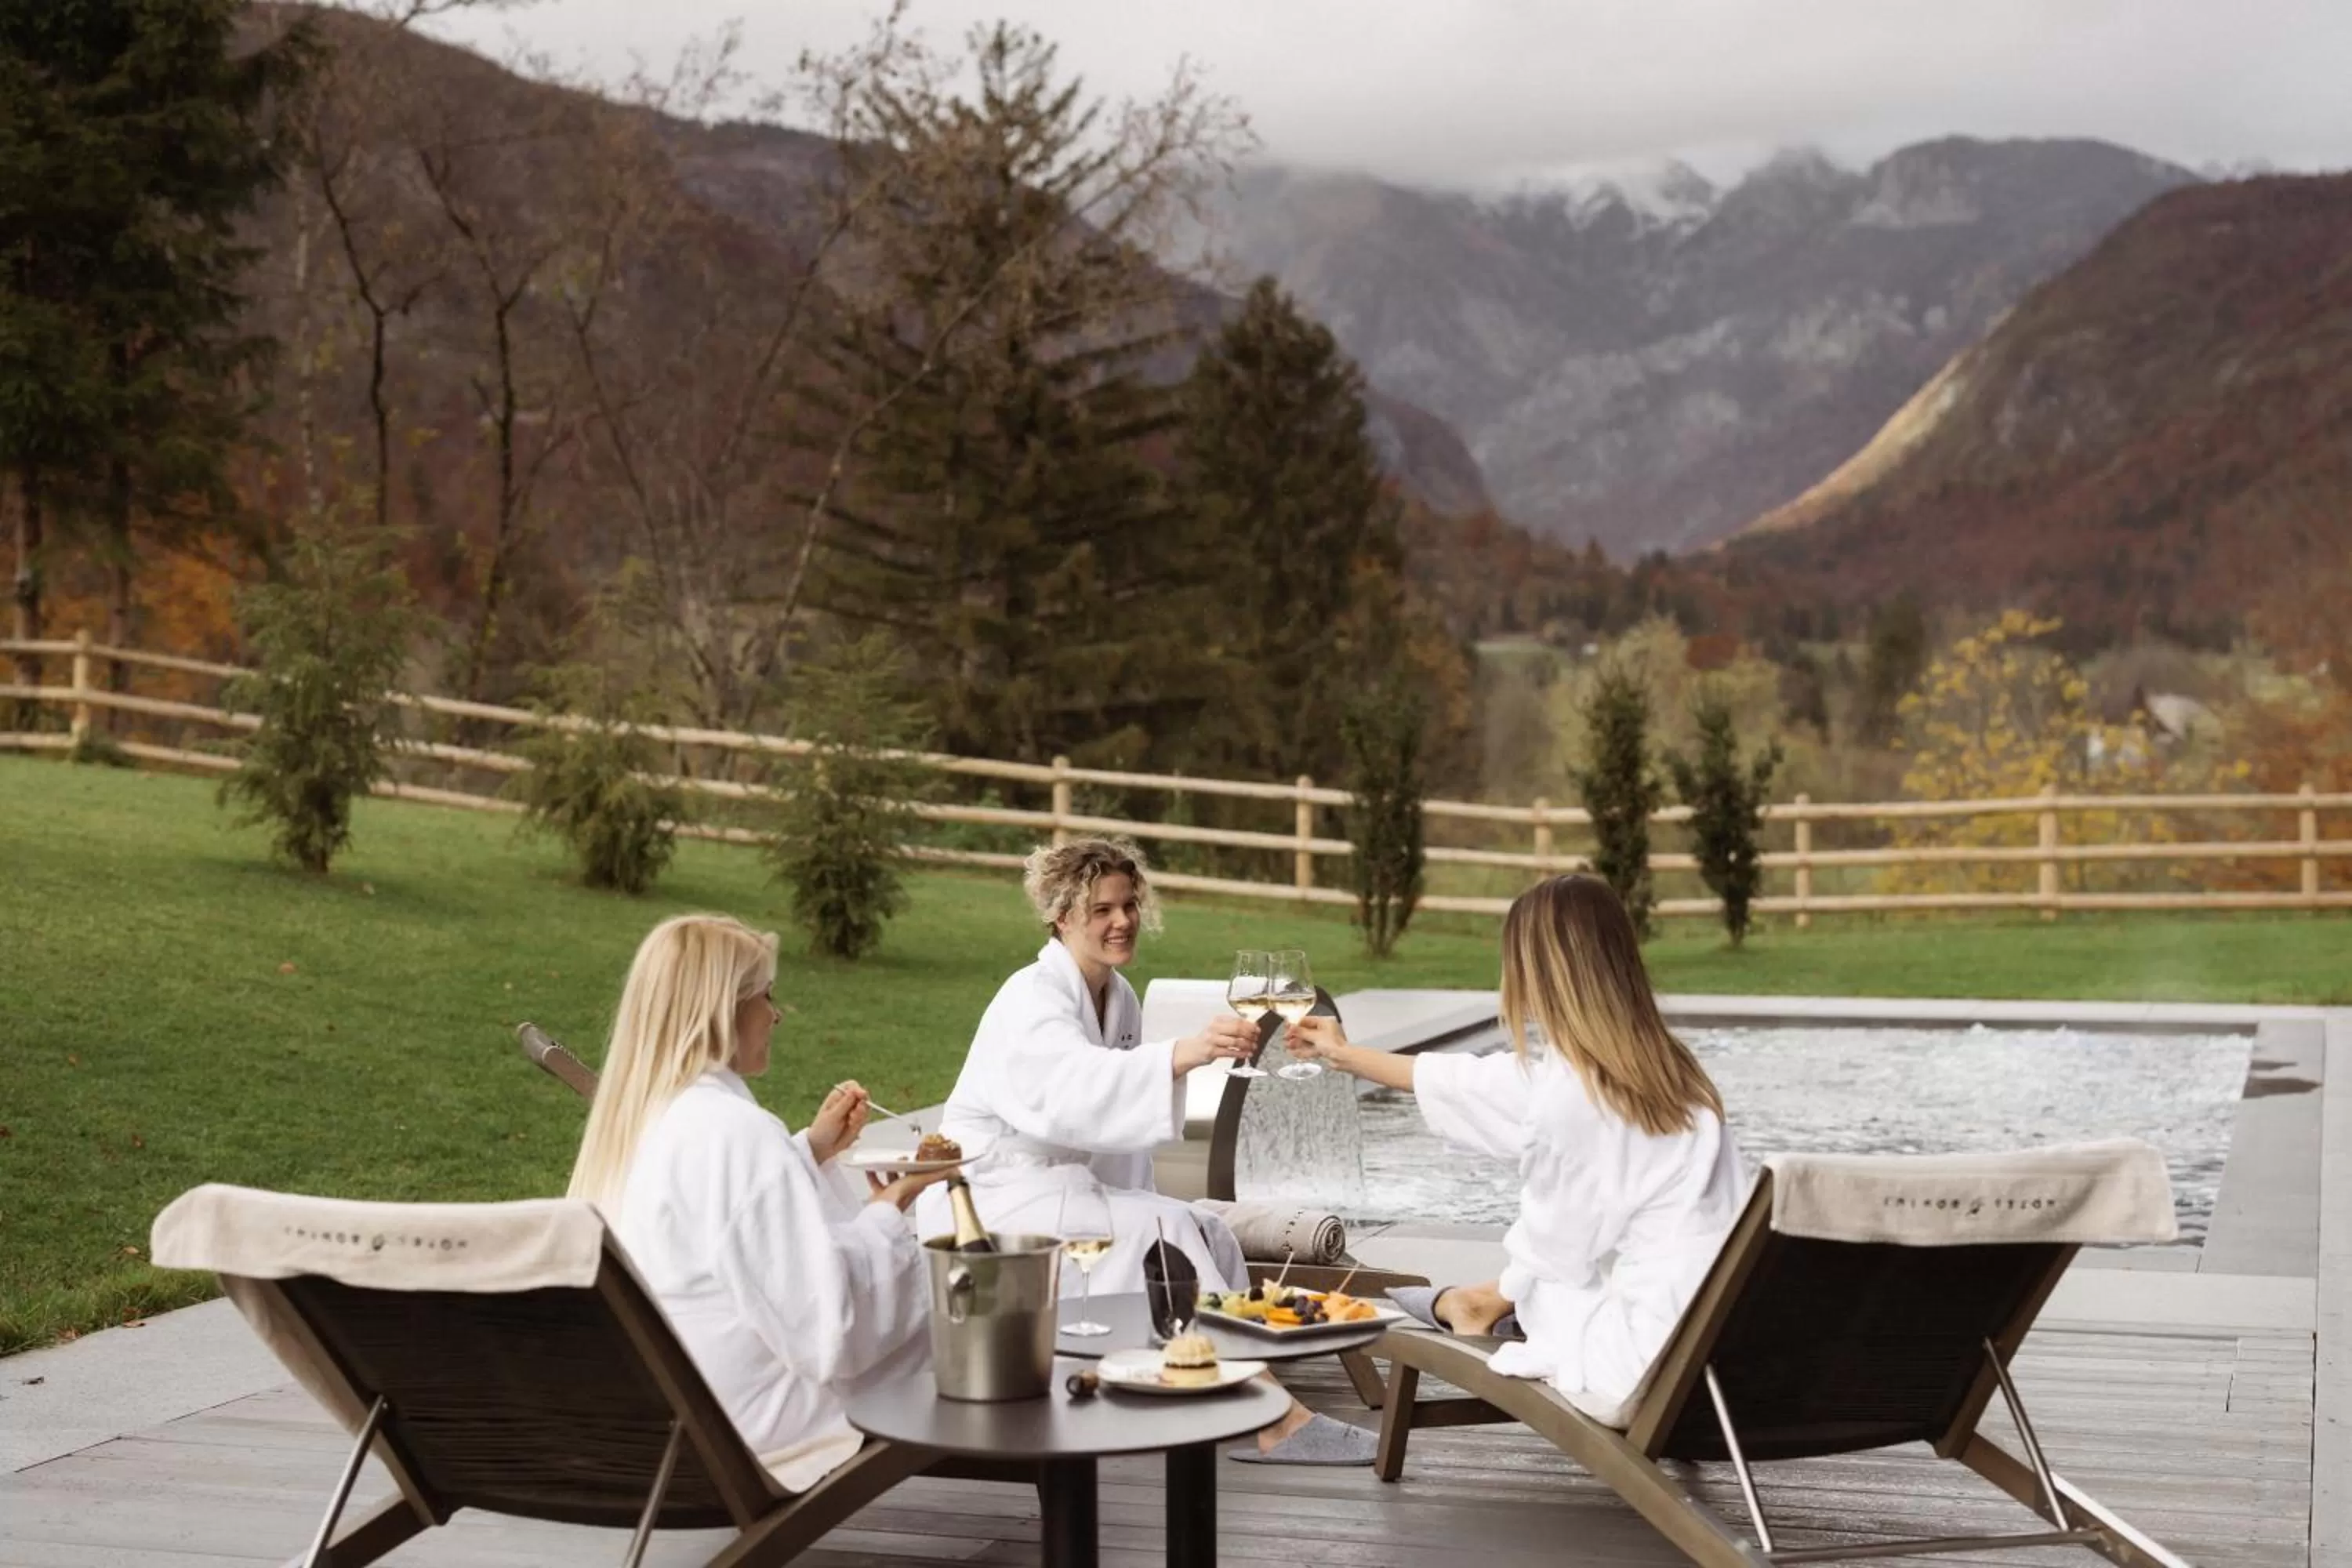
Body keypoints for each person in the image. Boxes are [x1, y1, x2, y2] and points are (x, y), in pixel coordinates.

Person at [924, 836, 1377, 1465]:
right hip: (998, 1198)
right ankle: (1273, 1421)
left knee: (1196, 1230)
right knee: (1163, 1231)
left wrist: (1139, 1197)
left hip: (1064, 1193)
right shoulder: (1030, 998)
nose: (1123, 921)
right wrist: (1182, 1053)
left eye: (1129, 905)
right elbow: (1070, 1092)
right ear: (1061, 916)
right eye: (1103, 909)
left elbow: (1114, 1127)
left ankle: (1211, 1387)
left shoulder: (1118, 995)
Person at [1286, 874, 1747, 1412]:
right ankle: (1477, 1300)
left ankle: (1474, 1302)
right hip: (1723, 1339)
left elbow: (1558, 1254)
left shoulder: (1573, 1099)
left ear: (1534, 973)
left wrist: (1512, 1280)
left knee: (1542, 1268)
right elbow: (1477, 1082)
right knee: (1553, 1260)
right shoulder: (1673, 1073)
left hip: (1646, 1359)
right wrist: (1346, 1054)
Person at [568, 913, 948, 1490]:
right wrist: (889, 1208)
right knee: (963, 1310)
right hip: (751, 1429)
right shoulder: (735, 1133)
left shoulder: (645, 1118)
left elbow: (722, 1230)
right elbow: (829, 1327)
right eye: (766, 996)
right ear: (722, 1009)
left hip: (666, 1415)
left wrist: (808, 1150)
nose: (775, 1014)